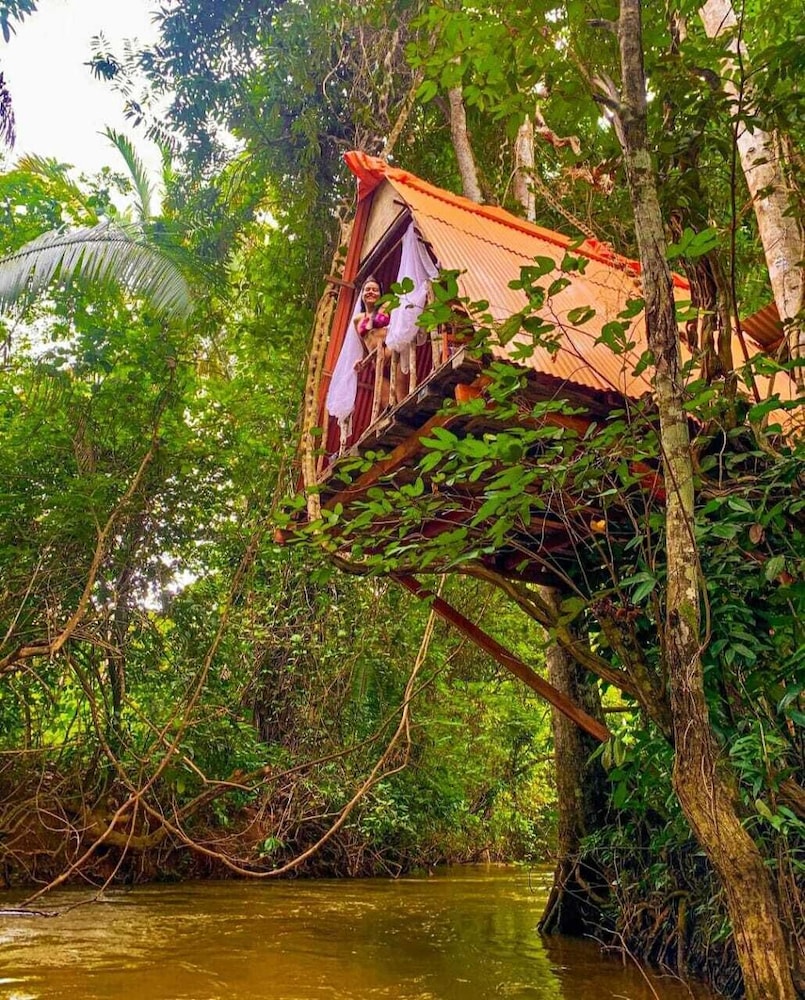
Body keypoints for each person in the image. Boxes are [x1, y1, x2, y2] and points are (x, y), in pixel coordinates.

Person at [354, 276, 395, 408]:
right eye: (367, 289)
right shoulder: (357, 319)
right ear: (362, 295)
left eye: (375, 290)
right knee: (388, 405)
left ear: (380, 294)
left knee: (401, 395)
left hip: (393, 356)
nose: (371, 292)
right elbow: (365, 347)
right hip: (377, 364)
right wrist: (362, 362)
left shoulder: (388, 306)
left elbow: (399, 327)